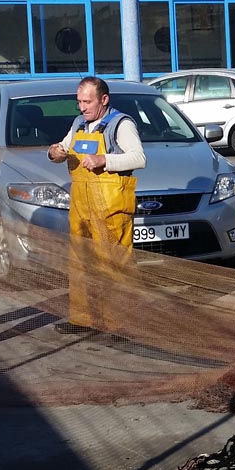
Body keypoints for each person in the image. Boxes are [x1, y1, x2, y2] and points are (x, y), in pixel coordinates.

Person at [47, 77, 146, 333]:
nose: (82, 107)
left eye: (87, 102)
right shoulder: (79, 124)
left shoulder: (120, 124)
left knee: (114, 267)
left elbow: (139, 157)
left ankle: (121, 327)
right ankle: (83, 320)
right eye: (79, 101)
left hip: (111, 209)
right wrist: (54, 153)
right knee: (81, 264)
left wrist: (104, 159)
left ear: (104, 99)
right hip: (81, 208)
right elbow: (63, 148)